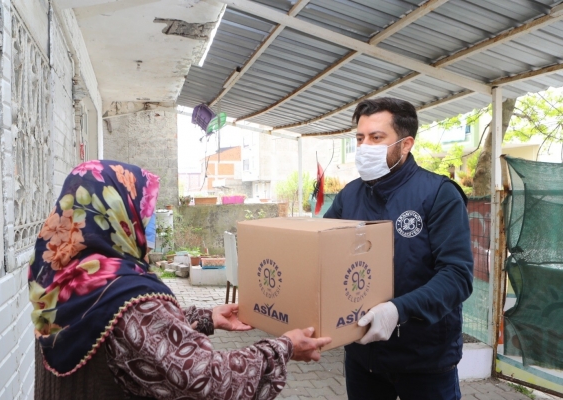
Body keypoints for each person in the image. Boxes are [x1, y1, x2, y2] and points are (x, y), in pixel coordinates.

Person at [29, 160, 331, 399]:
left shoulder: (61, 279)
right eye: (143, 210)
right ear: (118, 216)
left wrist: (205, 317)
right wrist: (283, 348)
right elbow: (209, 381)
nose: (148, 221)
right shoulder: (126, 293)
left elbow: (119, 334)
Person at [323, 98, 473, 400]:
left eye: (377, 138)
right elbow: (323, 253)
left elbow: (457, 276)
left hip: (425, 359)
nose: (365, 147)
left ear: (405, 145)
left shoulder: (438, 194)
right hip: (363, 355)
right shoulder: (349, 196)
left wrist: (398, 309)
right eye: (360, 138)